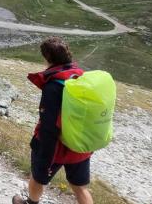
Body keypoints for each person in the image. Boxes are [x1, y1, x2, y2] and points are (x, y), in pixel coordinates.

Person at [13, 38, 94, 204]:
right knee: (80, 187)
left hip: (56, 147)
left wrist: (45, 153)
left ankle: (30, 202)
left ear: (48, 57)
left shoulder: (53, 86)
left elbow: (49, 125)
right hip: (79, 144)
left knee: (38, 178)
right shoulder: (82, 77)